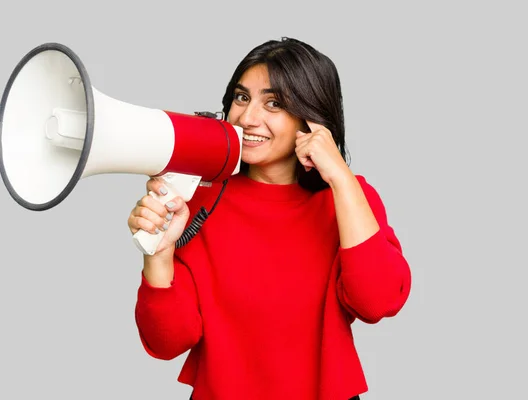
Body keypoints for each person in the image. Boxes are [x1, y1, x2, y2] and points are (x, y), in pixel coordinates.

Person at [127, 37, 412, 400]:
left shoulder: (348, 199)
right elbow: (168, 341)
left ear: (310, 118)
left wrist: (340, 177)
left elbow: (378, 300)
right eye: (241, 97)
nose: (247, 118)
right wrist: (158, 255)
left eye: (274, 103)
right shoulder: (196, 201)